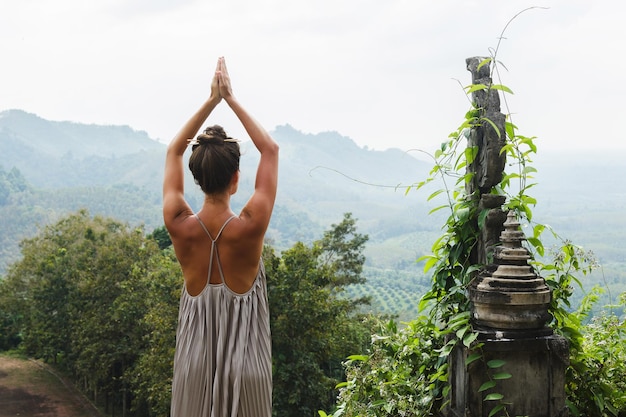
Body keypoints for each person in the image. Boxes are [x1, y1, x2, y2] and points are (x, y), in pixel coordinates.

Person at [162, 56, 278, 417]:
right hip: (248, 371)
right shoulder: (250, 226)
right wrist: (230, 98)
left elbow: (173, 150)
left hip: (193, 368)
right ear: (236, 178)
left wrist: (211, 100)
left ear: (196, 178)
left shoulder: (179, 224)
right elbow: (270, 151)